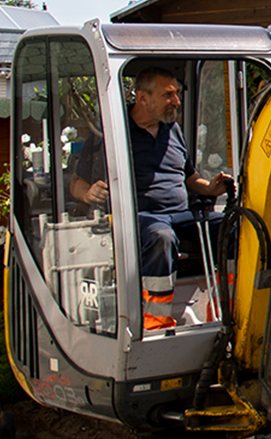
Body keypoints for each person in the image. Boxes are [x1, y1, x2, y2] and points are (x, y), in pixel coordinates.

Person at [71, 67, 231, 331]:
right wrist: (87, 194)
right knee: (161, 236)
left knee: (234, 226)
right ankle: (156, 320)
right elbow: (76, 183)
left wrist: (210, 188)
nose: (176, 101)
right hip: (140, 218)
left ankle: (226, 306)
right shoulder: (111, 132)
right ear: (142, 97)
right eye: (168, 95)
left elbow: (190, 176)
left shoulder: (173, 130)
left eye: (177, 94)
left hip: (180, 215)